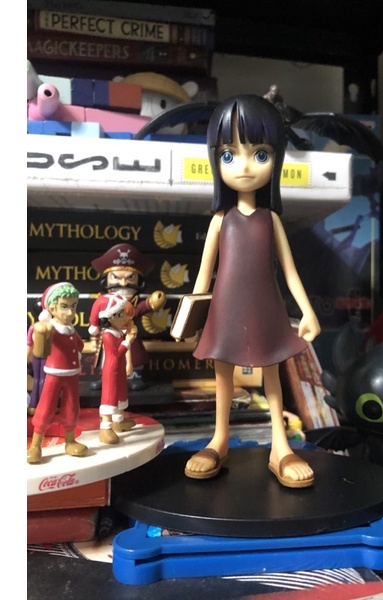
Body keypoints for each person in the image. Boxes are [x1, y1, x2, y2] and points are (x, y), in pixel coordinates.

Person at [184, 94, 321, 488]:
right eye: (229, 155)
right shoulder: (220, 220)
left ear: (276, 158)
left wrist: (307, 311)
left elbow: (290, 272)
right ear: (216, 160)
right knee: (223, 374)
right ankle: (219, 439)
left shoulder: (270, 219)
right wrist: (189, 318)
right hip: (224, 309)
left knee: (271, 372)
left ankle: (281, 445)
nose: (244, 166)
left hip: (266, 308)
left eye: (260, 154)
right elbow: (203, 275)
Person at [89, 243, 166, 391]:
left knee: (133, 355)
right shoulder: (103, 301)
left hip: (128, 336)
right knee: (106, 358)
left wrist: (150, 303)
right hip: (109, 337)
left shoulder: (133, 305)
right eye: (116, 277)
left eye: (130, 278)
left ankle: (133, 376)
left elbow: (137, 311)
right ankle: (106, 378)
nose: (123, 283)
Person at [27, 282, 87, 464]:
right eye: (64, 307)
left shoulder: (70, 329)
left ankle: (70, 440)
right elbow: (39, 350)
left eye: (73, 306)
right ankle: (36, 445)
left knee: (71, 406)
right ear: (52, 308)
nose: (70, 312)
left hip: (72, 374)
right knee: (46, 406)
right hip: (54, 374)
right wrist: (40, 333)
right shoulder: (50, 328)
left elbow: (79, 345)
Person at [88, 293, 138, 444]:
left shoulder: (119, 332)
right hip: (111, 368)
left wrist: (128, 337)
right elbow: (115, 355)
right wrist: (127, 342)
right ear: (109, 318)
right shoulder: (108, 335)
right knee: (110, 395)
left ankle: (119, 420)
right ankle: (105, 427)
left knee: (121, 393)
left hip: (120, 367)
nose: (125, 318)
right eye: (121, 315)